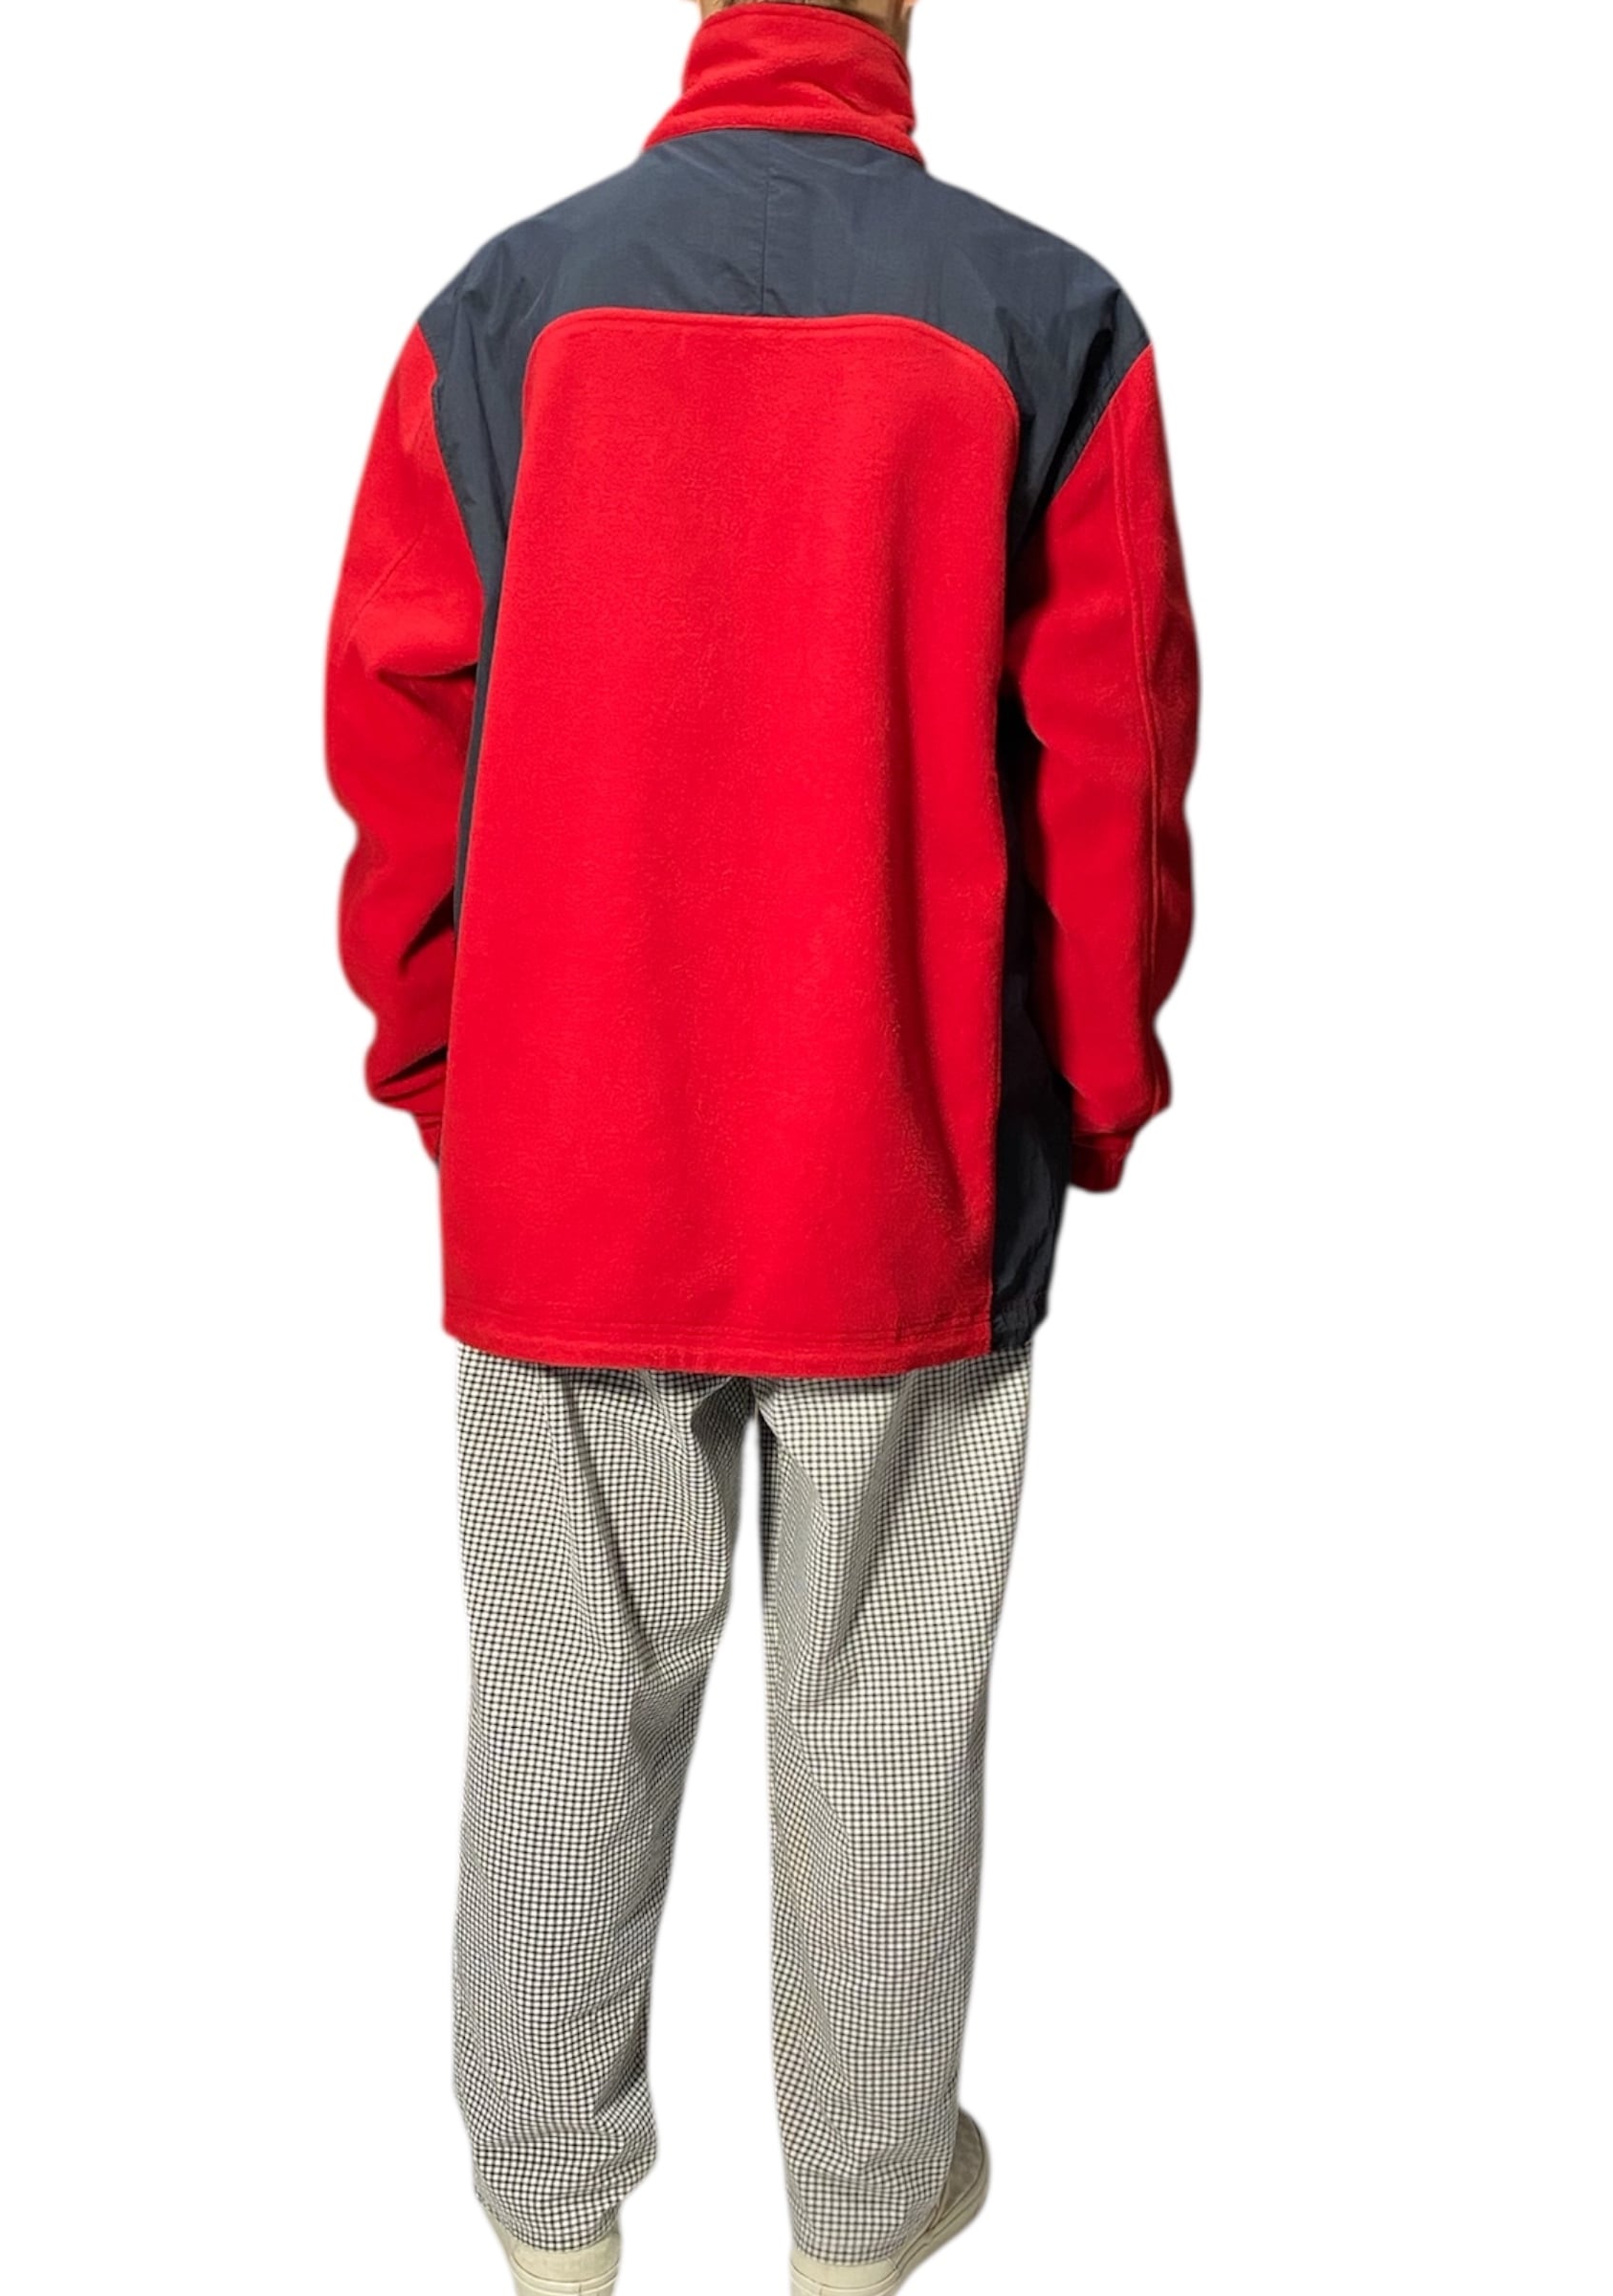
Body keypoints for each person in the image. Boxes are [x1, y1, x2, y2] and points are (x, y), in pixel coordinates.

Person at [324, 1, 1198, 2288]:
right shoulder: (1045, 317)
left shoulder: (508, 307)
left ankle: (551, 2239)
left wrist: (444, 1064)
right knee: (881, 1717)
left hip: (565, 1158)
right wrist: (1095, 1083)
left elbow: (403, 714)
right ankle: (861, 2230)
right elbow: (1110, 750)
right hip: (900, 1169)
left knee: (559, 1720)